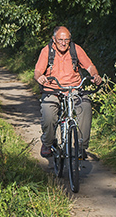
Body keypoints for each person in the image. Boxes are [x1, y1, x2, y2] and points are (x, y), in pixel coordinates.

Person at [34, 26, 102, 158]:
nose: (64, 43)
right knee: (48, 114)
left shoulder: (75, 49)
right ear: (54, 39)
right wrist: (40, 77)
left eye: (67, 40)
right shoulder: (47, 51)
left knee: (85, 106)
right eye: (60, 40)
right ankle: (47, 143)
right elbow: (37, 71)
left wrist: (95, 75)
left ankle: (81, 146)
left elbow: (90, 66)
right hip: (52, 89)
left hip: (74, 88)